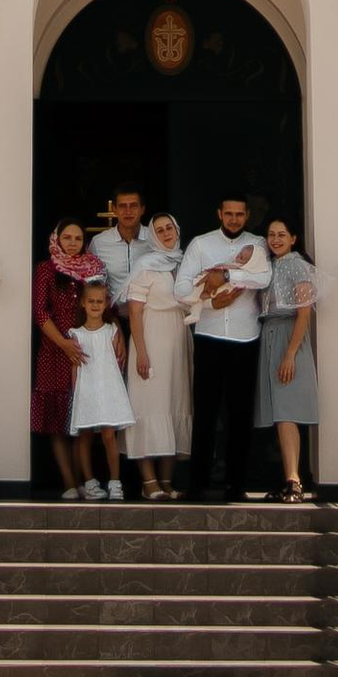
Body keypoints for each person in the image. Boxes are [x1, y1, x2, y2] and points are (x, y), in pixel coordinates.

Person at [176, 193, 272, 499]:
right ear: (219, 213)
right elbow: (180, 287)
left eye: (239, 214)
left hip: (245, 338)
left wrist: (228, 274)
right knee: (205, 412)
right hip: (209, 335)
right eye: (228, 213)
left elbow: (264, 277)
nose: (233, 219)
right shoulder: (201, 244)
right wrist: (209, 298)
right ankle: (198, 484)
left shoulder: (257, 244)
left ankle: (236, 485)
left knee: (240, 415)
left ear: (246, 216)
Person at [31, 220, 104, 493]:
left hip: (86, 352)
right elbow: (40, 313)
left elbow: (103, 308)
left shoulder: (92, 270)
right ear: (57, 239)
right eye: (67, 237)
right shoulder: (46, 270)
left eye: (77, 238)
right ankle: (69, 483)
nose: (72, 243)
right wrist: (63, 343)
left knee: (81, 419)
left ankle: (86, 480)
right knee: (57, 421)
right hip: (55, 352)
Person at [124, 209, 191, 500]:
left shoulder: (185, 262)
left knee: (175, 403)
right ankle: (148, 481)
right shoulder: (146, 265)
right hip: (150, 338)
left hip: (178, 340)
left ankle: (166, 481)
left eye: (170, 228)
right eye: (160, 230)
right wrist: (141, 352)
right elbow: (135, 311)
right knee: (149, 406)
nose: (166, 233)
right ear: (153, 235)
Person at [254, 214, 319, 502]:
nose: (276, 240)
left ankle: (294, 479)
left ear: (293, 238)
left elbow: (304, 312)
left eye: (282, 234)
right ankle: (285, 477)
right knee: (278, 412)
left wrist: (290, 353)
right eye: (271, 234)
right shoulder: (269, 265)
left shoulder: (297, 266)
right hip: (269, 335)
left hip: (288, 338)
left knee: (287, 411)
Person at [66, 278, 132, 502]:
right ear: (83, 304)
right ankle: (90, 483)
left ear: (106, 305)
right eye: (91, 301)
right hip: (87, 390)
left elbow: (117, 362)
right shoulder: (75, 333)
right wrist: (77, 394)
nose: (95, 305)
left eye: (100, 301)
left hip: (108, 388)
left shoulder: (111, 331)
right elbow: (75, 367)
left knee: (108, 435)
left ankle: (115, 482)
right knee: (84, 435)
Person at [89, 185, 147, 305]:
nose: (128, 211)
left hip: (149, 316)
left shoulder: (154, 240)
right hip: (113, 317)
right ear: (114, 209)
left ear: (142, 209)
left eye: (133, 206)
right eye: (122, 206)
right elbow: (91, 284)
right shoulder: (99, 243)